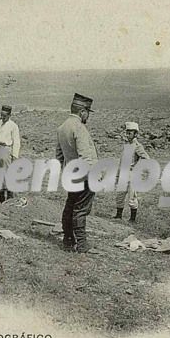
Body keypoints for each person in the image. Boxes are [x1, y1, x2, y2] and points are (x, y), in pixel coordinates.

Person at [55, 93, 98, 253]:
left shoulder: (62, 128)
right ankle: (82, 245)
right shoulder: (79, 128)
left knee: (70, 207)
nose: (87, 116)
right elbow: (85, 157)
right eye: (88, 112)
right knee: (80, 209)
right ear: (82, 112)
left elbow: (59, 156)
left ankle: (68, 240)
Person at [114, 121, 150, 223]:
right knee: (120, 196)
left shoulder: (138, 146)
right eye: (127, 132)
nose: (128, 134)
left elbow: (146, 158)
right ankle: (118, 215)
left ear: (135, 134)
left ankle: (132, 219)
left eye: (130, 132)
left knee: (132, 197)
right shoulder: (126, 145)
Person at [0, 105, 21, 203]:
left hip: (6, 150)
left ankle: (10, 201)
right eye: (1, 115)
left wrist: (15, 156)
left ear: (9, 115)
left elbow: (16, 142)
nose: (2, 118)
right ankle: (2, 202)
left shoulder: (13, 126)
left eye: (5, 116)